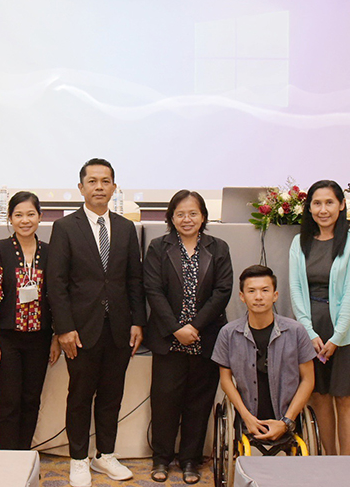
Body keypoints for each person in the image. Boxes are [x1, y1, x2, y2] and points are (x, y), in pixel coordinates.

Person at [47, 158, 145, 487]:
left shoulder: (127, 227)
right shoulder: (65, 227)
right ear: (81, 188)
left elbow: (135, 280)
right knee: (79, 395)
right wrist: (63, 328)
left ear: (114, 187)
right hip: (80, 329)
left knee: (111, 395)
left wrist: (137, 322)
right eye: (92, 181)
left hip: (118, 327)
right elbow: (56, 284)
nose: (99, 187)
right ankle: (78, 458)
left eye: (105, 181)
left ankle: (105, 455)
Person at [144, 190, 232, 483]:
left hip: (205, 338)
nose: (187, 219)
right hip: (168, 341)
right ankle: (161, 458)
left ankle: (190, 460)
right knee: (165, 402)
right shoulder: (158, 247)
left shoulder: (218, 248)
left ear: (203, 216)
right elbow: (153, 291)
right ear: (170, 217)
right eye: (180, 214)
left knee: (199, 402)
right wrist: (176, 329)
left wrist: (194, 327)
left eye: (193, 213)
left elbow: (223, 291)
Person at [288, 180, 350, 455]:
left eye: (329, 202)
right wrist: (309, 333)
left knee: (345, 397)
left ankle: (345, 461)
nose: (323, 209)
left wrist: (337, 337)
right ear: (309, 207)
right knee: (319, 397)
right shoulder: (299, 242)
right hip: (312, 330)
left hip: (348, 331)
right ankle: (328, 457)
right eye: (317, 203)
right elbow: (296, 289)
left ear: (341, 205)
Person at [0, 191, 61, 450]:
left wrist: (56, 337)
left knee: (31, 400)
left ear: (40, 217)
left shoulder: (50, 252)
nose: (25, 220)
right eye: (19, 215)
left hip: (40, 338)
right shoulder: (0, 249)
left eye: (31, 214)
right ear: (10, 218)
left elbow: (57, 296)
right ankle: (8, 460)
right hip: (6, 338)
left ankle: (23, 456)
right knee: (8, 403)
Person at [212, 265, 315, 447]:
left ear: (275, 295)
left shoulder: (296, 331)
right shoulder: (228, 333)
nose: (258, 297)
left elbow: (308, 379)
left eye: (265, 290)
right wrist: (247, 418)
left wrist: (286, 422)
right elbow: (225, 380)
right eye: (251, 291)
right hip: (247, 417)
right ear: (242, 297)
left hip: (288, 418)